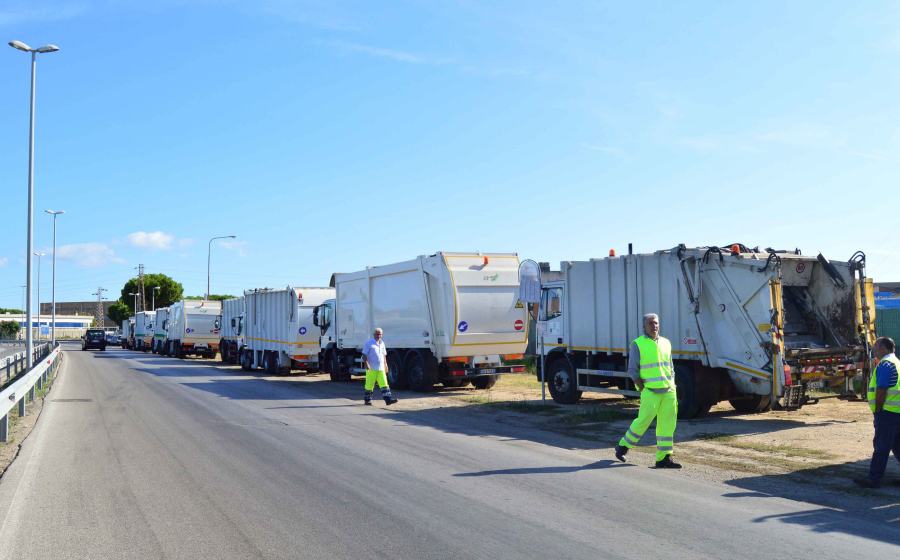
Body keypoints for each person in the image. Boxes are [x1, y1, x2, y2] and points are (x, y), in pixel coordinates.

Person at [614, 313, 681, 469]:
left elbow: (670, 366)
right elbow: (633, 370)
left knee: (667, 425)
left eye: (656, 323)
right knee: (643, 421)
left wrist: (672, 384)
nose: (654, 326)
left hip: (669, 391)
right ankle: (623, 447)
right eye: (650, 323)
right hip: (650, 391)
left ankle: (664, 458)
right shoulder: (637, 344)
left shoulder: (666, 343)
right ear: (644, 326)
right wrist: (643, 388)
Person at [854, 336, 900, 488]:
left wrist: (878, 409)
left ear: (883, 348)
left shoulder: (885, 364)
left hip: (887, 413)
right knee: (897, 446)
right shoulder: (897, 363)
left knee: (881, 447)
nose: (873, 349)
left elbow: (881, 389)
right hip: (897, 412)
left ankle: (873, 479)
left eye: (875, 346)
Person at [362, 328, 398, 406]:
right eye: (377, 334)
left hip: (381, 368)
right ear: (374, 334)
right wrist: (366, 364)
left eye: (380, 334)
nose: (379, 336)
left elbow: (384, 355)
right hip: (371, 368)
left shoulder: (382, 343)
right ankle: (367, 400)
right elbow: (364, 355)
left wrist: (386, 365)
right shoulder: (369, 343)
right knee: (369, 385)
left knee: (384, 384)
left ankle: (388, 400)